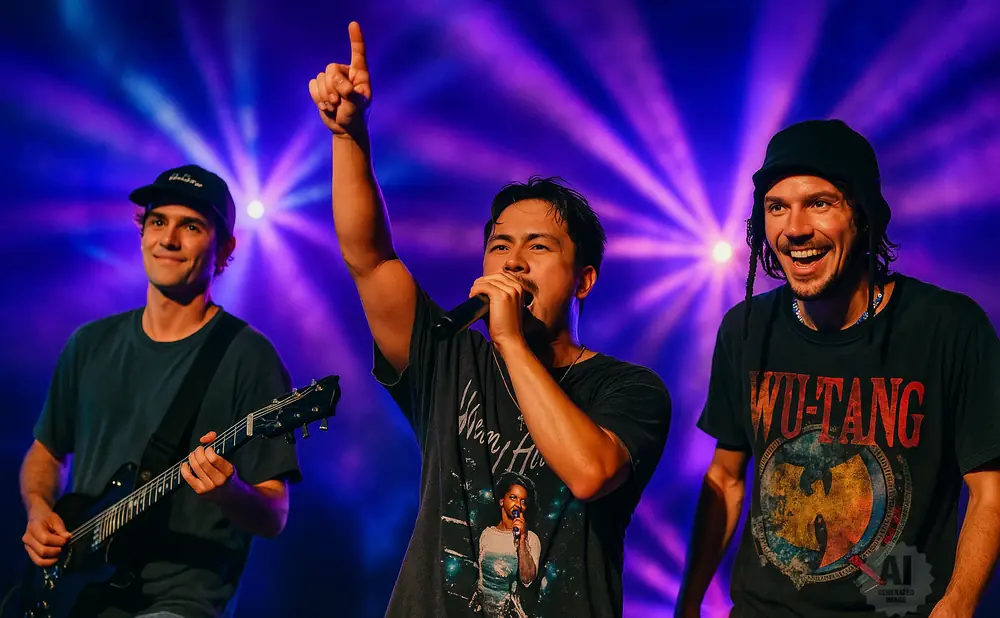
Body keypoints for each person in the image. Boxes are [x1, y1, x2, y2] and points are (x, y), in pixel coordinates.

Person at [308, 21, 671, 618]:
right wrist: (349, 136)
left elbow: (590, 473)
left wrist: (509, 341)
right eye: (500, 246)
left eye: (539, 247)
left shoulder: (629, 389)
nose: (513, 262)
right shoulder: (450, 355)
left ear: (584, 280)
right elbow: (369, 259)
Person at [676, 119, 1000, 618]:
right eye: (776, 207)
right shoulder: (747, 328)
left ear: (862, 215)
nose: (795, 228)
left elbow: (990, 493)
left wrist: (955, 607)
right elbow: (726, 477)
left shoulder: (947, 327)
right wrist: (688, 604)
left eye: (819, 203)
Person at [18, 164, 301, 618]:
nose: (168, 239)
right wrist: (38, 509)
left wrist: (228, 492)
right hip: (76, 593)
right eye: (157, 221)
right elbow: (46, 452)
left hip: (179, 602)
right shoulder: (89, 343)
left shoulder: (250, 356)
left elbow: (274, 515)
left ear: (225, 248)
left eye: (190, 227)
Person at [473, 473, 542, 618]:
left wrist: (522, 540)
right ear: (501, 501)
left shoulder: (532, 539)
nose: (518, 504)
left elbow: (527, 579)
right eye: (513, 497)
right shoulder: (487, 534)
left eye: (523, 501)